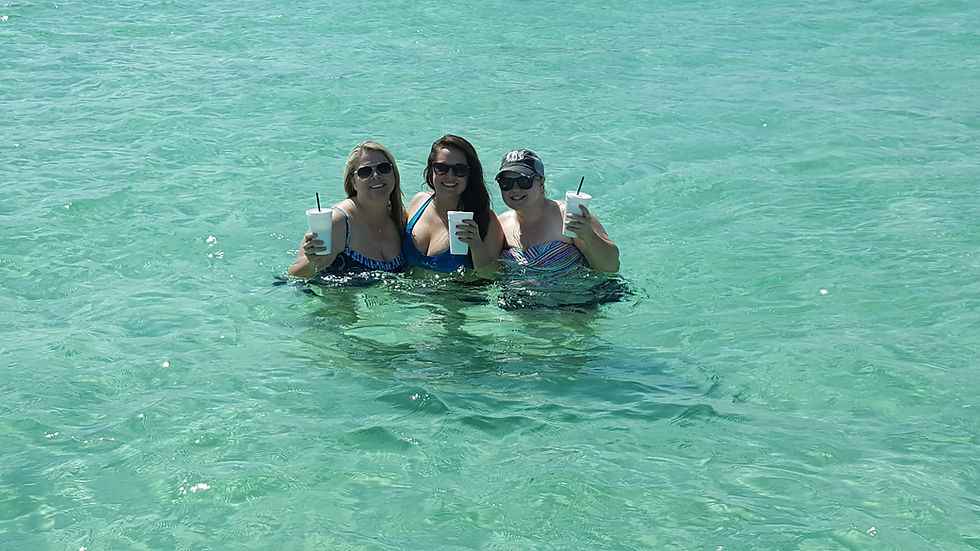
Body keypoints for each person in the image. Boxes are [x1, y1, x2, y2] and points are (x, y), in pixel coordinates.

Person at [288, 141, 406, 279]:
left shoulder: (400, 218)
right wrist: (312, 263)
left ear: (394, 173)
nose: (375, 175)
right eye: (365, 172)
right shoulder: (336, 223)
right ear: (353, 181)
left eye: (384, 168)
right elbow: (293, 277)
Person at [494, 149, 620, 276]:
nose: (515, 189)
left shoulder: (568, 215)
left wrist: (589, 235)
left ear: (541, 183)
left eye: (524, 181)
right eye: (506, 183)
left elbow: (611, 267)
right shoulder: (500, 224)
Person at [402, 134, 503, 277]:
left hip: (456, 298)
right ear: (431, 170)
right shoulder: (419, 202)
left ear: (470, 175)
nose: (450, 176)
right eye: (441, 168)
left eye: (459, 169)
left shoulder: (485, 220)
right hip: (407, 298)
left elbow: (490, 276)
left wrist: (476, 245)